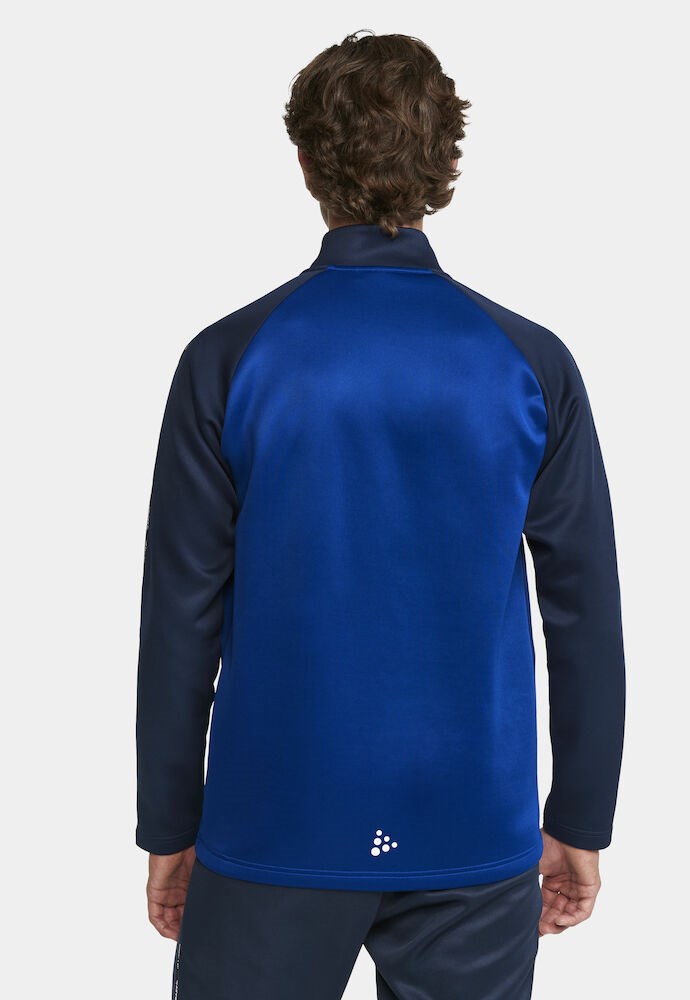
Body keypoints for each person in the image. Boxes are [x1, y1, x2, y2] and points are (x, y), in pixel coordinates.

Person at [135, 29, 626, 1000]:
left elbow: (180, 617)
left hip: (273, 823)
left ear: (306, 161)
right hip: (473, 824)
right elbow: (584, 611)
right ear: (445, 164)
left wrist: (170, 825)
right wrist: (581, 815)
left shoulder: (229, 359)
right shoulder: (529, 362)